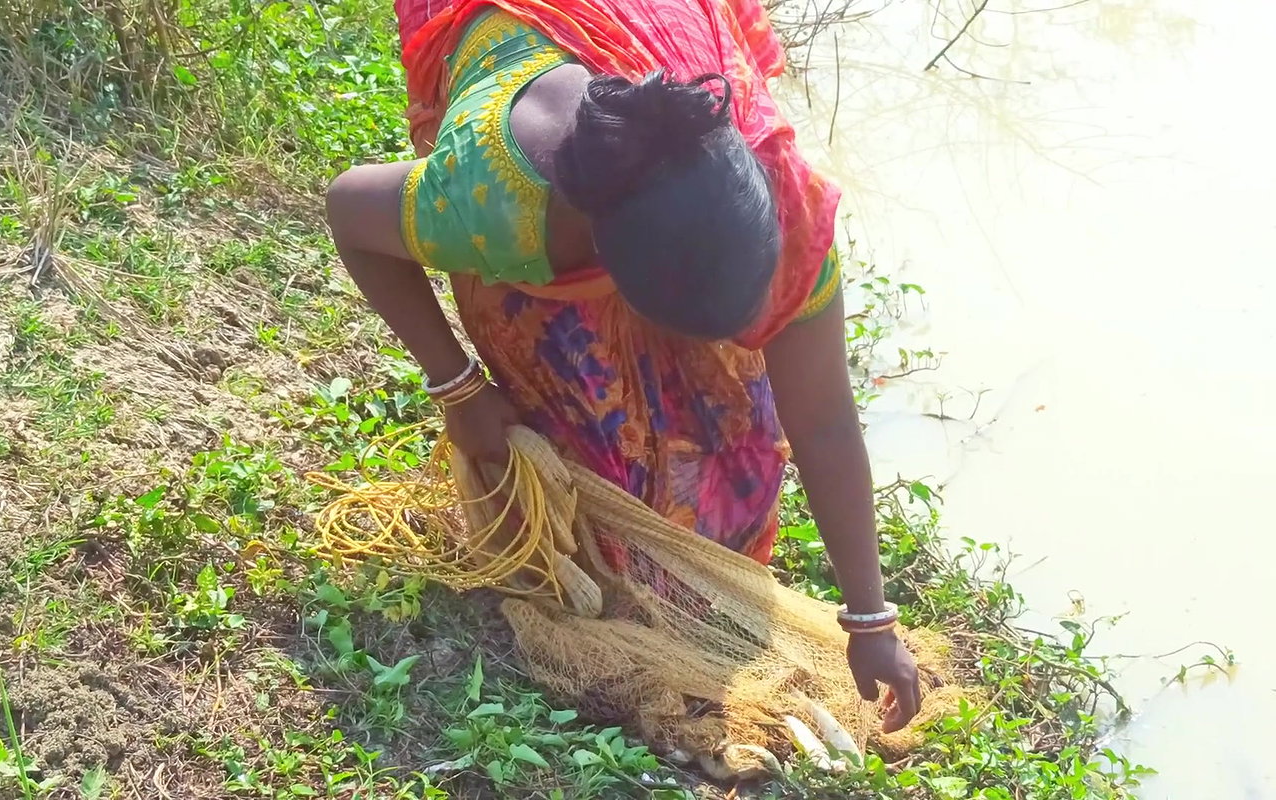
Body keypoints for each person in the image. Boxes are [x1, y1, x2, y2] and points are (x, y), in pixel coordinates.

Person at [325, 0, 922, 732]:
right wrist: (459, 387)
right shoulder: (492, 200)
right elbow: (348, 211)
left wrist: (869, 619)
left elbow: (824, 419)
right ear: (602, 266)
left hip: (649, 47)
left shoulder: (780, 202)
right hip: (532, 135)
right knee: (596, 444)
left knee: (736, 437)